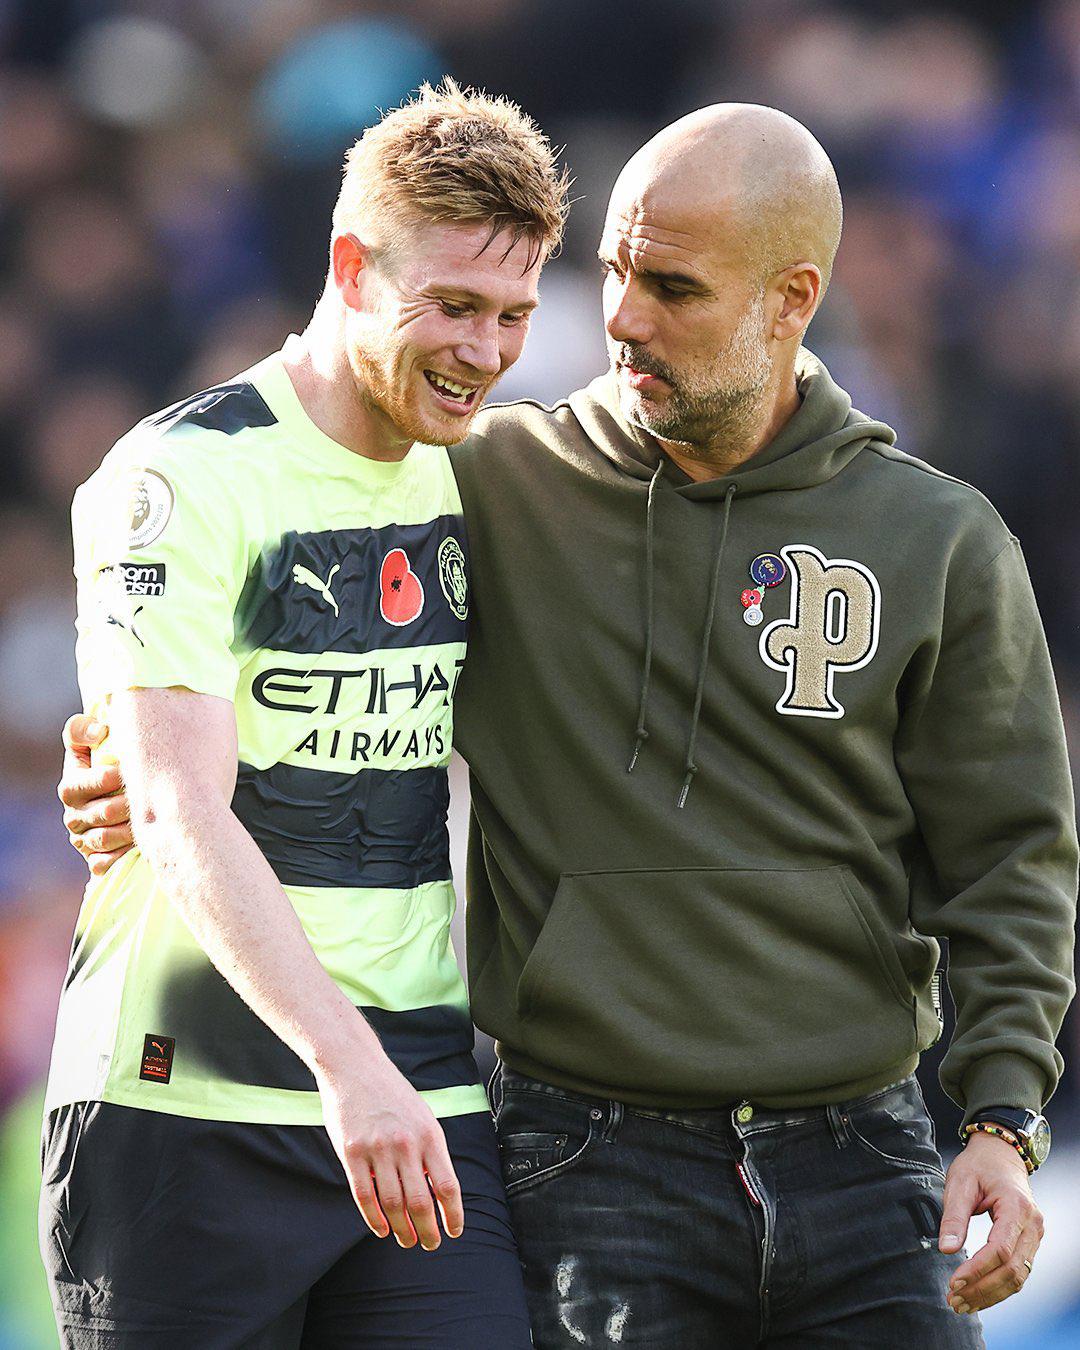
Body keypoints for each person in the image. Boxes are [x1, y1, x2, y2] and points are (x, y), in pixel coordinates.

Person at [60, 105, 1077, 1347]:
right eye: (612, 277)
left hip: (863, 1153)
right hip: (566, 1154)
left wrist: (1003, 1119)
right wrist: (138, 777)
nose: (626, 319)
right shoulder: (493, 484)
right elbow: (215, 714)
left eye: (674, 288)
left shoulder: (939, 538)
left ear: (791, 299)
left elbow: (1013, 854)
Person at [42, 79, 567, 1350]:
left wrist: (385, 1082)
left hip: (419, 1093)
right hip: (185, 1103)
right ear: (350, 264)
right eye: (452, 305)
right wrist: (348, 1071)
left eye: (513, 315)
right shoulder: (183, 472)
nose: (486, 352)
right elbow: (171, 803)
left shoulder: (495, 475)